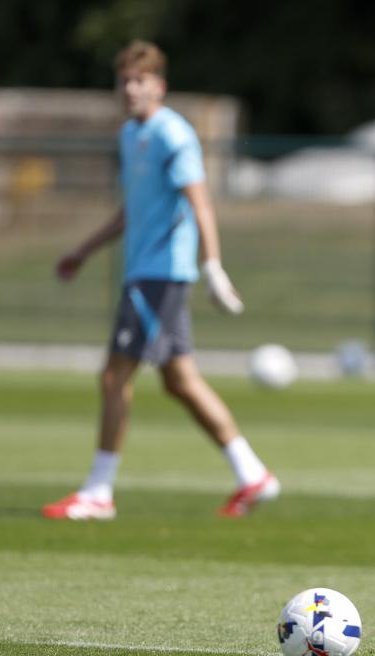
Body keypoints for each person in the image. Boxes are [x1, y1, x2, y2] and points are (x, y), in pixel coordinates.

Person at [42, 40, 278, 521]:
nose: (130, 89)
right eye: (124, 80)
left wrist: (212, 266)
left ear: (159, 86)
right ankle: (253, 474)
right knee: (180, 381)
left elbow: (200, 202)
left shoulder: (175, 135)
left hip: (160, 276)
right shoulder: (131, 135)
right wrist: (83, 251)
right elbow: (135, 209)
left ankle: (98, 492)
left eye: (139, 80)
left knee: (114, 377)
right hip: (146, 273)